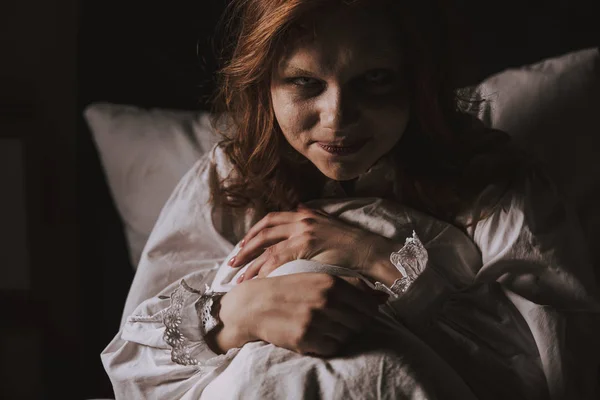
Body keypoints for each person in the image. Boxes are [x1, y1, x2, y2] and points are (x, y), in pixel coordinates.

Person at [101, 0, 600, 399]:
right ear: (265, 83)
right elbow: (133, 368)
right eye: (306, 83)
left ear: (416, 79)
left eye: (375, 80)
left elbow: (559, 366)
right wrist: (238, 314)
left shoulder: (491, 182)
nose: (338, 117)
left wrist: (373, 255)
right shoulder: (230, 177)